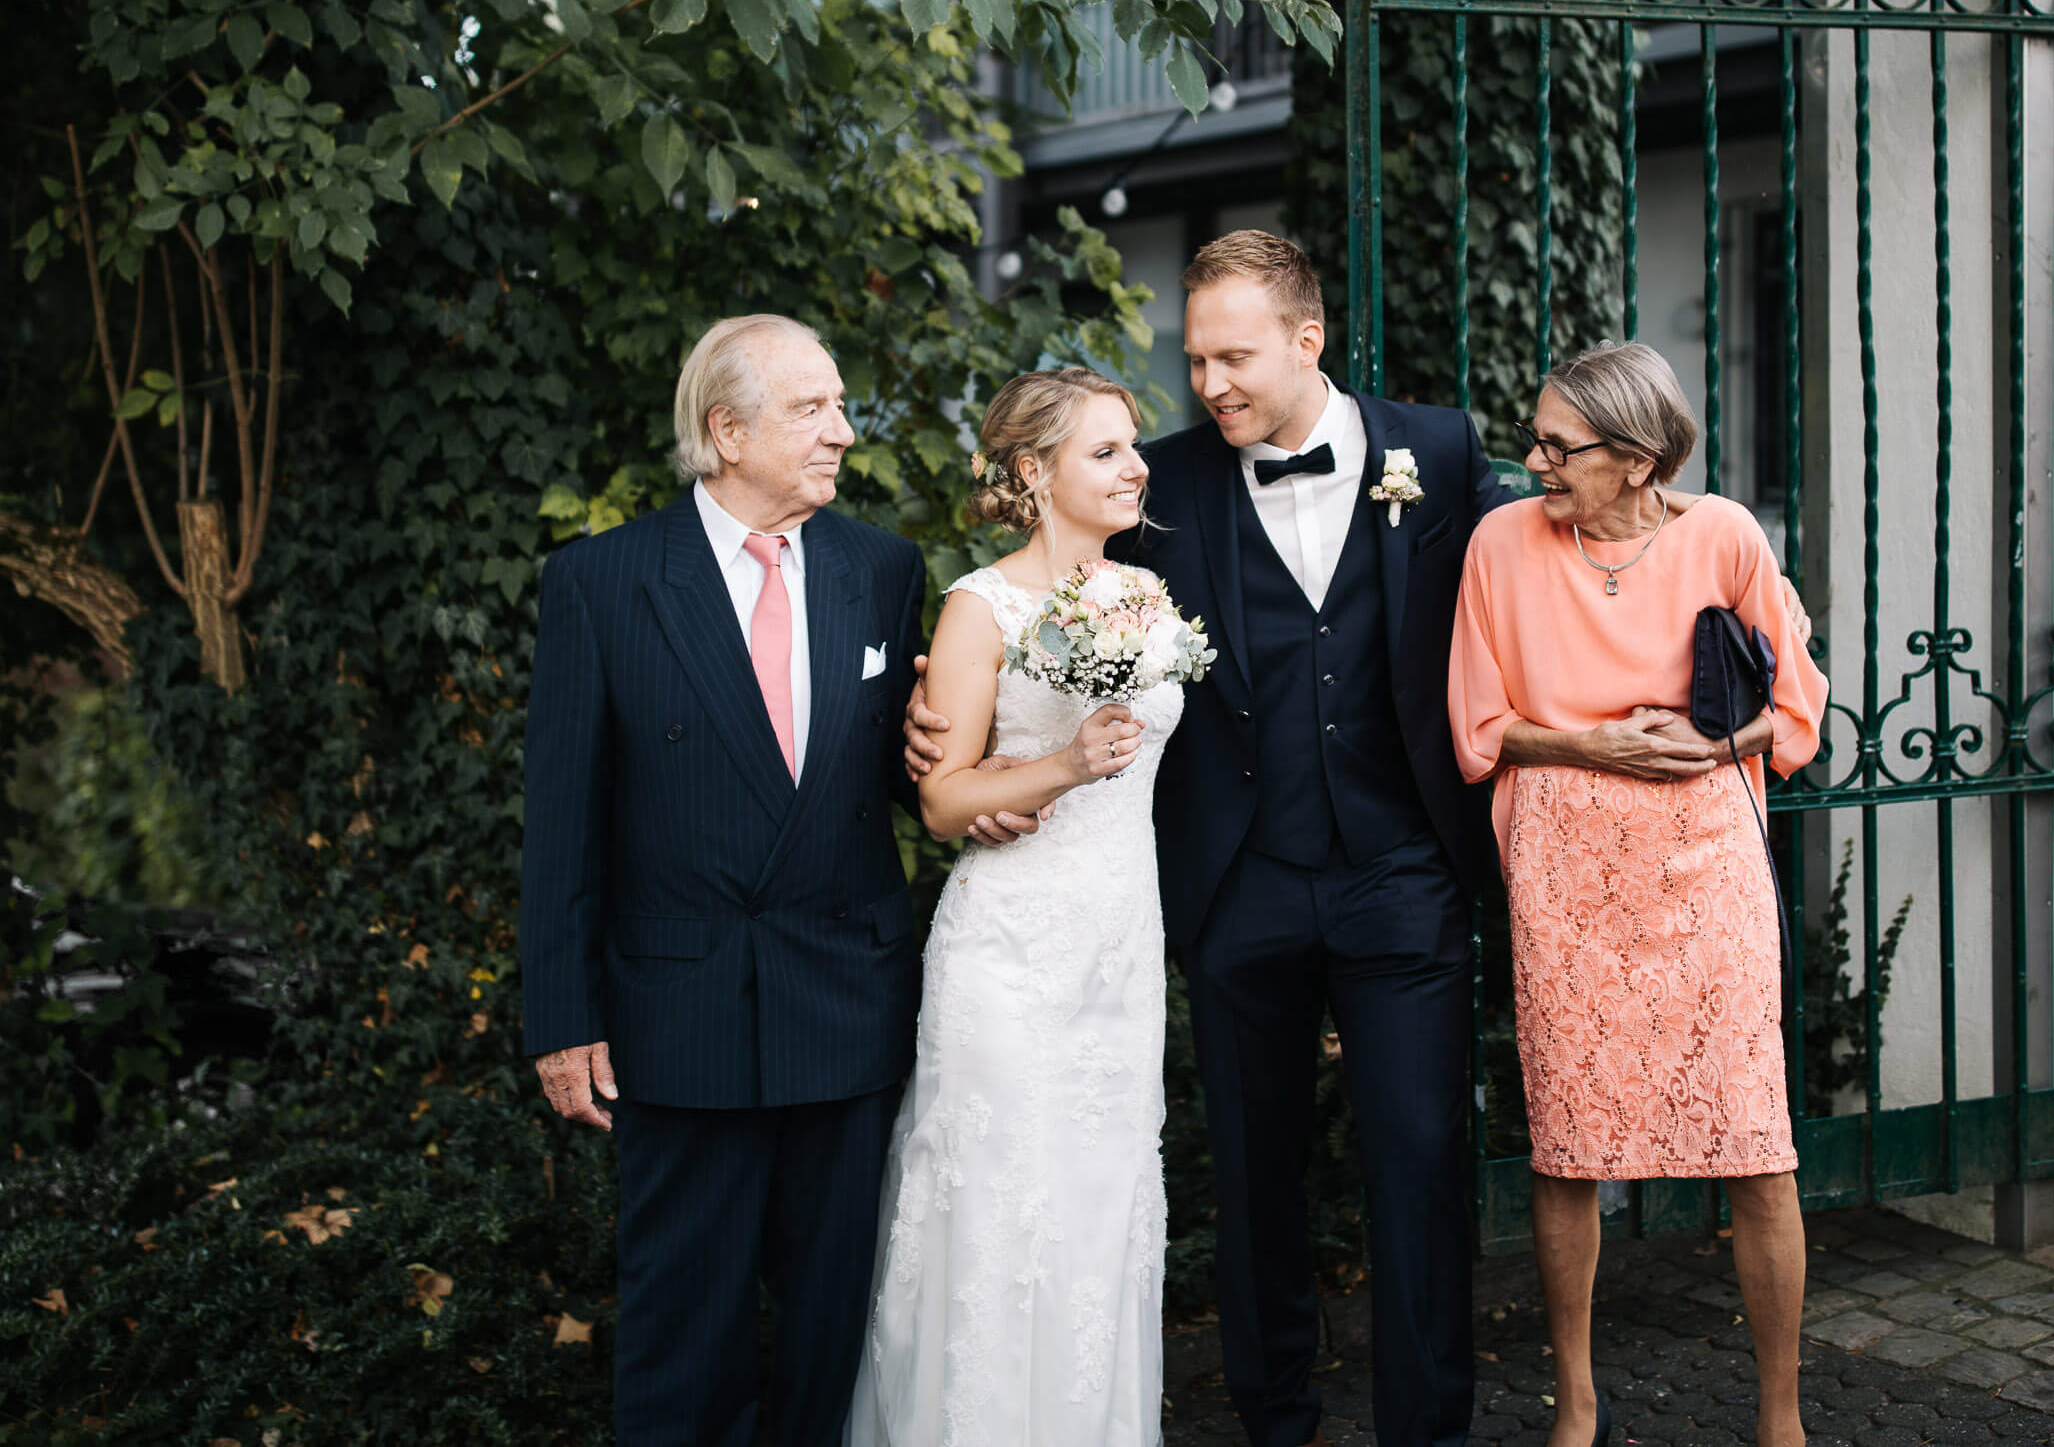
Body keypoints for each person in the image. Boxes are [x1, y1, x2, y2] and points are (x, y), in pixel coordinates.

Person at [910, 231, 1509, 1447]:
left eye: (1234, 356)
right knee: (1253, 1183)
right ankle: (1276, 1422)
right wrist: (933, 721)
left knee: (1420, 1167)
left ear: (1307, 339)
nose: (1213, 384)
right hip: (1238, 887)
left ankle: (1429, 1432)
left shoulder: (1436, 452)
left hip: (1403, 878)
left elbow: (1523, 586)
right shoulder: (1160, 480)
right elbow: (1034, 601)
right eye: (1197, 361)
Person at [519, 315, 928, 1446]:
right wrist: (563, 1019)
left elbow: (906, 776)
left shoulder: (883, 568)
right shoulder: (602, 581)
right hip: (678, 1014)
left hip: (845, 999)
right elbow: (562, 822)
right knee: (679, 1339)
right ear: (727, 430)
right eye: (813, 409)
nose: (844, 432)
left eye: (841, 406)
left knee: (828, 1335)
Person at [1447, 341, 1827, 1447]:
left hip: (1709, 862)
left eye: (1559, 448)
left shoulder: (1724, 536)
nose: (1534, 464)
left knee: (1757, 1142)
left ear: (1636, 457)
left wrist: (1713, 741)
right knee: (1567, 1147)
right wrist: (1592, 744)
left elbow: (1794, 713)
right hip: (1567, 867)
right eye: (1538, 439)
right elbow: (1478, 724)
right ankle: (1577, 1404)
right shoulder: (1499, 546)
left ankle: (1783, 1417)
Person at [847, 368, 1172, 1444]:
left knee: (1098, 1215)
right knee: (999, 1216)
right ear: (1033, 472)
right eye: (1106, 451)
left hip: (1121, 951)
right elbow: (943, 800)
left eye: (1133, 447)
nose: (1134, 467)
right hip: (1011, 956)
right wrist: (1066, 767)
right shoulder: (978, 607)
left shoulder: (1147, 597)